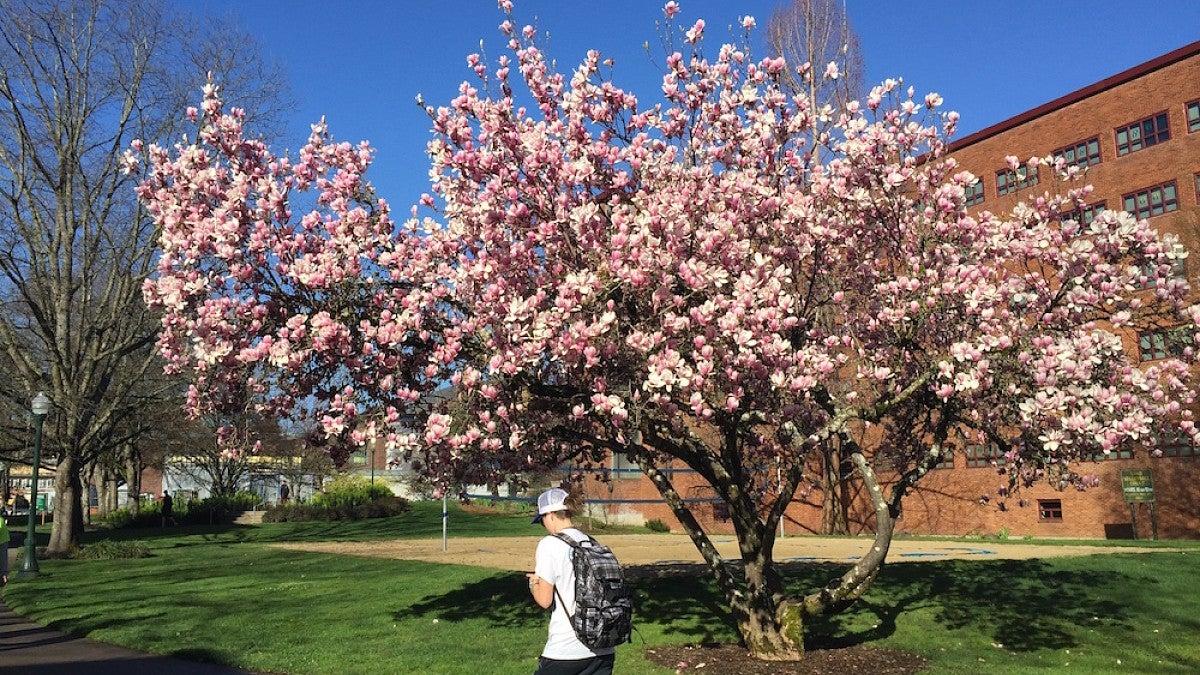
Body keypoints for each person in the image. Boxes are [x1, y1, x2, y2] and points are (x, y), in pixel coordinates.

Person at [527, 487, 616, 675]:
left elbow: (544, 601)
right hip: (603, 648)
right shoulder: (590, 542)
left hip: (566, 652)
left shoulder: (549, 544)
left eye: (542, 520)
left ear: (550, 515)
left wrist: (534, 583)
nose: (544, 525)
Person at [0, 507, 9, 586]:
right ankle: (4, 576)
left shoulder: (0, 520)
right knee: (3, 558)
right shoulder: (1, 519)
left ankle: (4, 577)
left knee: (3, 558)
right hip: (4, 539)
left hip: (2, 540)